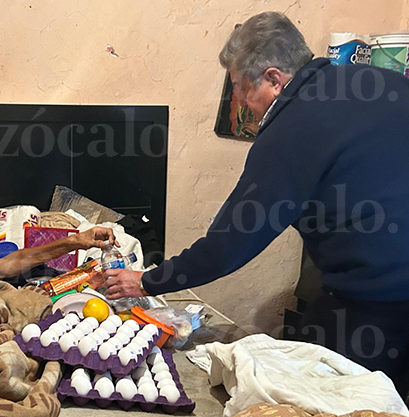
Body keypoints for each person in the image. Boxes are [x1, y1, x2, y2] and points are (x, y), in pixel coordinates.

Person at [103, 11, 409, 394]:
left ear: (274, 79)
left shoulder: (291, 127)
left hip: (379, 302)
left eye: (242, 89)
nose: (242, 102)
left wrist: (147, 281)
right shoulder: (382, 81)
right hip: (386, 285)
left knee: (337, 396)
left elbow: (229, 244)